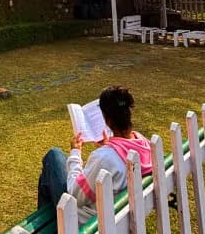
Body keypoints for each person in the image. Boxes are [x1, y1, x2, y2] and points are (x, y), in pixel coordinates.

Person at [37, 85, 152, 224]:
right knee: (53, 165)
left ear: (106, 119)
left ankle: (50, 233)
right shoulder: (143, 143)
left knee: (53, 156)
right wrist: (109, 146)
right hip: (120, 213)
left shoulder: (104, 158)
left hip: (92, 222)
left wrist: (75, 153)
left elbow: (75, 193)